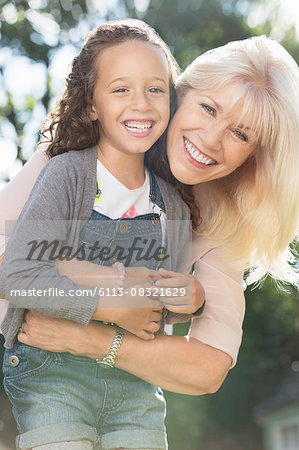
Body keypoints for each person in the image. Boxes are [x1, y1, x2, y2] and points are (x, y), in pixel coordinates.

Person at [1, 33, 299, 449]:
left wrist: (98, 335)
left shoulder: (213, 217)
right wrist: (110, 288)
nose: (211, 139)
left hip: (129, 397)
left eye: (241, 135)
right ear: (179, 95)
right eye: (208, 108)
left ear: (254, 155)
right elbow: (10, 267)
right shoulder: (74, 162)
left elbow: (206, 364)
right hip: (38, 379)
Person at [0, 19, 206, 450]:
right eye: (120, 89)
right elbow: (17, 276)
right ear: (91, 104)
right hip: (51, 374)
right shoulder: (67, 175)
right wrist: (106, 306)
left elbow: (156, 311)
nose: (142, 104)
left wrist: (189, 302)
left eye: (155, 89)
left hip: (134, 387)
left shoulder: (170, 202)